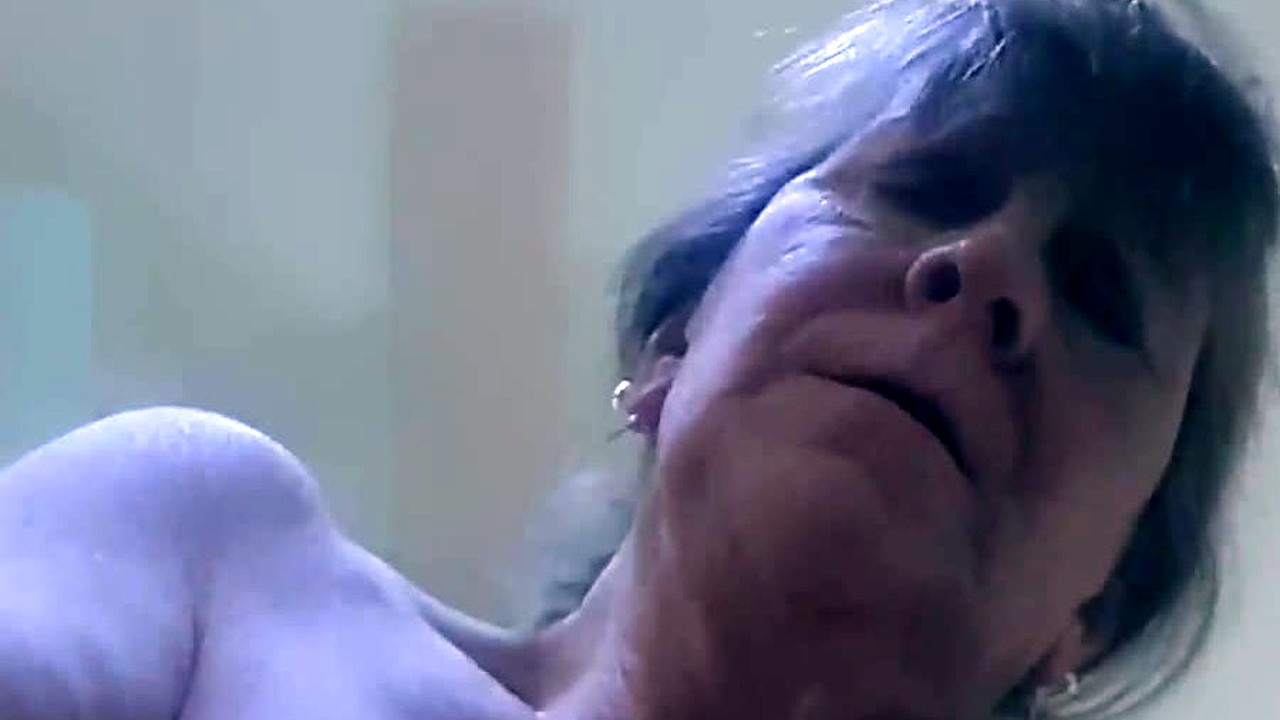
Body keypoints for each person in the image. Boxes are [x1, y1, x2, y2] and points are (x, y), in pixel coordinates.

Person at [0, 0, 1274, 718]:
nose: (986, 271)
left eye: (1099, 299)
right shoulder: (216, 550)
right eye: (924, 188)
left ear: (1100, 606)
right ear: (673, 343)